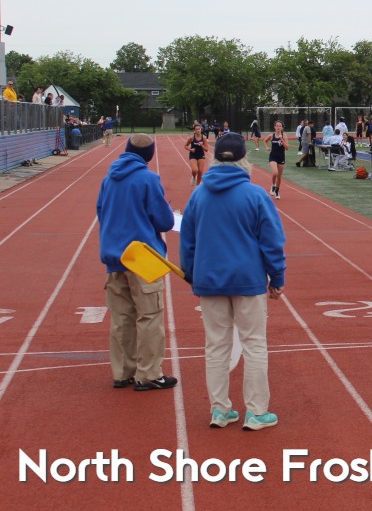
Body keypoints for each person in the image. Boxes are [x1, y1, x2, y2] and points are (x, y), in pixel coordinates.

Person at [180, 134, 286, 431]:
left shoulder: (199, 195)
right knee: (254, 344)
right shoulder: (255, 195)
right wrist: (277, 276)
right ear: (243, 159)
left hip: (209, 281)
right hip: (248, 281)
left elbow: (187, 242)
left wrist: (191, 274)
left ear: (215, 159)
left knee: (216, 346)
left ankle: (219, 409)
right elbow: (272, 241)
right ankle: (256, 411)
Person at [95, 133, 177, 391]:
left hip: (114, 256)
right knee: (149, 315)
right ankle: (149, 373)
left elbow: (101, 212)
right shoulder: (148, 179)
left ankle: (123, 371)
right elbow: (164, 221)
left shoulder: (109, 179)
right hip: (142, 256)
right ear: (149, 155)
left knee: (121, 317)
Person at [265, 120, 289, 199]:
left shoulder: (284, 136)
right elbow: (265, 141)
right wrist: (267, 147)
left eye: (280, 126)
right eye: (277, 126)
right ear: (274, 127)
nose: (278, 127)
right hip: (273, 156)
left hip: (281, 157)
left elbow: (287, 148)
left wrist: (282, 139)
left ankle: (277, 191)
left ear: (282, 128)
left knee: (279, 176)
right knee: (275, 172)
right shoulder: (271, 136)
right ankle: (273, 185)